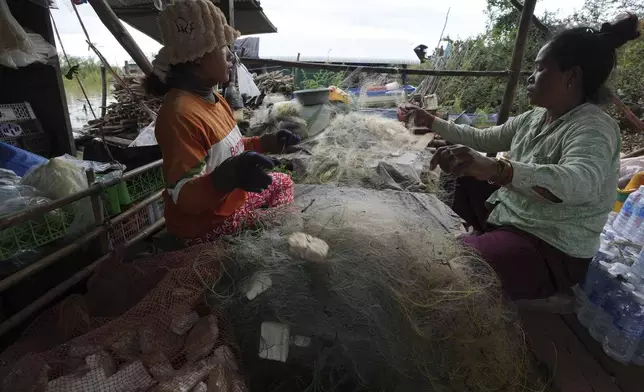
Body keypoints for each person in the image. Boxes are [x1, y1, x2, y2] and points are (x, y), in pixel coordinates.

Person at [399, 13, 640, 300]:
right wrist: (431, 122)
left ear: (571, 76)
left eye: (540, 69)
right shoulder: (535, 118)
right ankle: (490, 243)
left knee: (452, 265)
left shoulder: (593, 127)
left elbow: (579, 182)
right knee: (461, 175)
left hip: (550, 247)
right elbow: (482, 138)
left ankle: (486, 253)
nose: (530, 77)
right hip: (514, 218)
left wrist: (500, 170)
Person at [143, 0, 300, 245]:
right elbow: (185, 196)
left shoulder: (214, 98)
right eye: (223, 46)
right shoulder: (178, 114)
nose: (231, 55)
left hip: (227, 205)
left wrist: (267, 142)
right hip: (204, 226)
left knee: (281, 182)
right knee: (275, 214)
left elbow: (233, 147)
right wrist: (229, 176)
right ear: (196, 56)